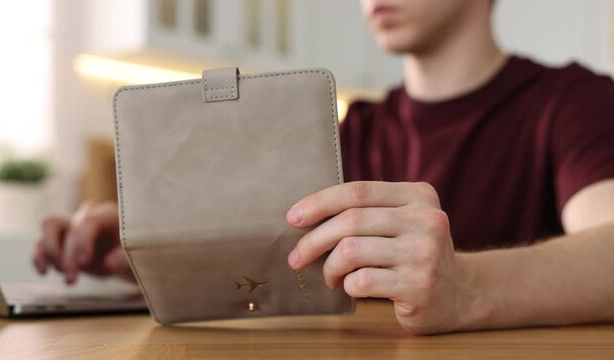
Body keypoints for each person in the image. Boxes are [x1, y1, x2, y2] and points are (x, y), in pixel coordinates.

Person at [33, 0, 614, 334]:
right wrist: (155, 247)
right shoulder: (351, 130)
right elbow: (279, 268)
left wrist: (464, 289)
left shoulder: (572, 102)